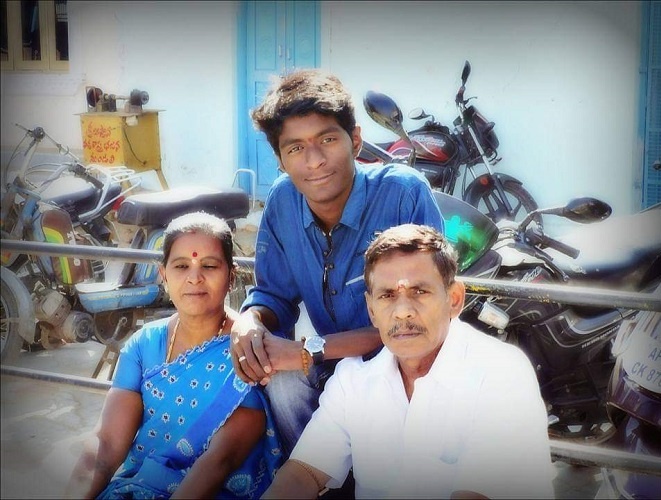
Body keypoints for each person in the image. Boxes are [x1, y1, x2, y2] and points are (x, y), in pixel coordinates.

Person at [230, 68, 445, 456]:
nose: (313, 161)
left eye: (327, 139)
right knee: (277, 379)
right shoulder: (283, 201)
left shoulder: (403, 194)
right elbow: (273, 295)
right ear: (280, 160)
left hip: (406, 366)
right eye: (295, 148)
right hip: (334, 362)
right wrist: (250, 321)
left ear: (356, 140)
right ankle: (316, 482)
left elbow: (420, 318)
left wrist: (308, 350)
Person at [261, 224, 555, 499]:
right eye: (387, 295)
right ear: (372, 310)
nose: (402, 312)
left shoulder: (500, 373)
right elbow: (305, 471)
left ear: (454, 299)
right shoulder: (355, 378)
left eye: (419, 291)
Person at [66, 212, 282, 499]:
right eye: (181, 266)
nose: (195, 278)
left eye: (209, 265)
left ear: (231, 277)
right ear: (163, 274)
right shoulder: (144, 345)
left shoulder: (247, 347)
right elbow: (105, 446)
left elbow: (219, 462)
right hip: (138, 485)